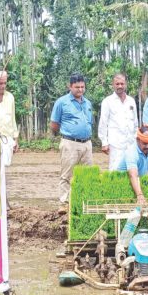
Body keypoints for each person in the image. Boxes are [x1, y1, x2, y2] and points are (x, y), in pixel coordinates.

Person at [51, 73, 94, 209]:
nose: (80, 90)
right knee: (67, 174)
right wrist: (68, 134)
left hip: (87, 144)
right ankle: (64, 204)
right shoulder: (62, 102)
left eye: (82, 87)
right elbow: (54, 124)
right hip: (70, 143)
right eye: (77, 87)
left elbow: (89, 121)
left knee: (87, 175)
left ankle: (83, 202)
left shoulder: (88, 103)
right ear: (70, 86)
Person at [98, 73, 139, 170]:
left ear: (126, 84)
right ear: (113, 84)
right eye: (117, 84)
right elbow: (103, 123)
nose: (120, 86)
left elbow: (135, 122)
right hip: (116, 144)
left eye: (122, 83)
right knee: (115, 169)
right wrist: (104, 142)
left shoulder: (131, 101)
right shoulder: (107, 101)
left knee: (131, 169)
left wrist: (136, 139)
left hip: (131, 143)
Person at [117, 125, 148, 205]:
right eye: (144, 143)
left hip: (138, 180)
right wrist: (140, 195)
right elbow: (133, 175)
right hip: (124, 182)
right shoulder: (131, 151)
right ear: (138, 140)